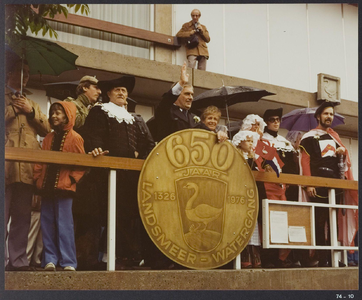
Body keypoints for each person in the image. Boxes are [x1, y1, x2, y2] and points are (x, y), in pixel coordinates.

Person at [82, 75, 155, 269]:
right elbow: (92, 135)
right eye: (117, 90)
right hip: (105, 172)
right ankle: (99, 258)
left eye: (124, 90)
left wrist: (139, 153)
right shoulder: (100, 111)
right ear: (108, 94)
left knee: (125, 216)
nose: (122, 93)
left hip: (128, 175)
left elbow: (144, 142)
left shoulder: (132, 118)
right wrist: (96, 147)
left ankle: (120, 256)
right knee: (103, 214)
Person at [5, 58, 51, 271]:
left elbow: (47, 128)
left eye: (29, 73)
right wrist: (14, 109)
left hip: (27, 168)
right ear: (10, 73)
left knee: (22, 218)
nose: (26, 76)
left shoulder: (32, 103)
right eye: (22, 71)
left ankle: (18, 261)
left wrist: (30, 111)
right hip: (6, 167)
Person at [299, 101, 358, 267]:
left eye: (331, 114)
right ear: (318, 116)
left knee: (335, 221)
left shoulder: (335, 137)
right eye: (326, 113)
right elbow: (305, 161)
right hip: (318, 183)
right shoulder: (308, 136)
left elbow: (344, 164)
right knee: (320, 220)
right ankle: (322, 257)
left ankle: (334, 257)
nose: (329, 117)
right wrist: (309, 184)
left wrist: (342, 153)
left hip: (335, 183)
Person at [33, 101, 86, 271]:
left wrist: (71, 179)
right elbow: (40, 163)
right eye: (53, 113)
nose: (54, 116)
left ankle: (69, 261)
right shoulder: (48, 138)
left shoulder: (76, 138)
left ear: (68, 115)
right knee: (47, 224)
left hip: (64, 189)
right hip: (46, 187)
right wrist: (36, 179)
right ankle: (50, 259)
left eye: (59, 113)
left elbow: (81, 164)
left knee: (65, 225)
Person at [262, 108, 302, 268]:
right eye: (272, 119)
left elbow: (292, 166)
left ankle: (284, 258)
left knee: (288, 222)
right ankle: (269, 258)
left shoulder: (284, 142)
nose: (276, 122)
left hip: (288, 187)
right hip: (270, 187)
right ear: (266, 122)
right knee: (271, 222)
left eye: (278, 119)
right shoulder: (262, 140)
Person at [153, 62, 227, 143]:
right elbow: (165, 103)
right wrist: (181, 83)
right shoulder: (166, 111)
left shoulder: (193, 117)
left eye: (192, 94)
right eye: (187, 94)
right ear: (177, 95)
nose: (191, 98)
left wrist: (218, 134)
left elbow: (207, 133)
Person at [232, 130, 266, 268]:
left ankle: (255, 253)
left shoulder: (254, 157)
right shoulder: (235, 156)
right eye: (248, 140)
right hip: (240, 192)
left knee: (253, 224)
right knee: (242, 222)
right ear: (240, 142)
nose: (251, 143)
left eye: (252, 141)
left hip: (253, 193)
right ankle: (244, 253)